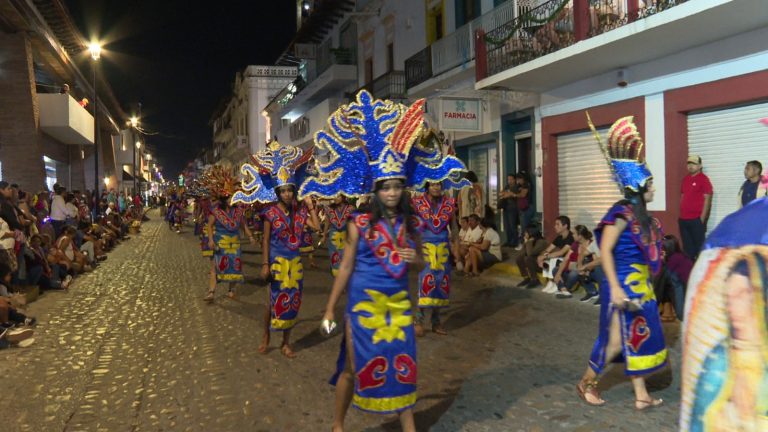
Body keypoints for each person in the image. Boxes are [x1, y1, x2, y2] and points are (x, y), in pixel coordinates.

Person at [301, 90, 468, 431]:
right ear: (375, 190)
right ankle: (337, 423)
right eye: (385, 187)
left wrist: (414, 259)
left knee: (402, 369)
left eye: (396, 187)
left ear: (403, 188)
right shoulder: (359, 224)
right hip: (362, 307)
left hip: (397, 308)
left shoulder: (411, 224)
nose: (391, 193)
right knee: (351, 366)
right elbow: (345, 267)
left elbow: (420, 264)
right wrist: (331, 308)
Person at [577, 115, 667, 410]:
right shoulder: (620, 212)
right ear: (638, 185)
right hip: (620, 285)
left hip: (638, 287)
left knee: (634, 339)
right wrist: (615, 287)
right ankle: (586, 382)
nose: (654, 188)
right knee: (615, 341)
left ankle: (641, 396)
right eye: (651, 184)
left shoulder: (645, 218)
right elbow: (605, 250)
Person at [679, 182, 768, 432]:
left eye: (743, 294)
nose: (733, 305)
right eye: (731, 295)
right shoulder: (718, 361)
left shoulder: (726, 228)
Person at [230, 140, 319, 359]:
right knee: (272, 303)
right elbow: (266, 241)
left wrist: (310, 206)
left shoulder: (299, 213)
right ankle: (266, 336)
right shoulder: (270, 214)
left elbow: (316, 227)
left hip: (295, 265)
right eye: (284, 191)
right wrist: (264, 264)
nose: (288, 194)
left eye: (291, 190)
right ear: (278, 191)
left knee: (293, 304)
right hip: (276, 264)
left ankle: (286, 342)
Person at [412, 180, 460, 337]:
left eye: (438, 185)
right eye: (433, 185)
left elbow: (453, 227)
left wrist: (456, 246)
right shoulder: (418, 203)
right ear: (427, 187)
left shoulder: (449, 204)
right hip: (426, 248)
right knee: (425, 282)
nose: (436, 187)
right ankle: (418, 320)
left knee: (440, 284)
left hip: (443, 249)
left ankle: (436, 321)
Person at [203, 166, 256, 303]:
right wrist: (210, 240)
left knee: (234, 266)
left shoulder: (238, 210)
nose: (231, 199)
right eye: (229, 197)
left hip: (235, 242)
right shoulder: (216, 211)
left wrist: (250, 236)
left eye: (232, 197)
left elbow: (243, 225)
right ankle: (211, 292)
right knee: (215, 266)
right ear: (223, 198)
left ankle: (231, 290)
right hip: (220, 242)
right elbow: (209, 225)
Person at [679, 154, 713, 259]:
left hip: (696, 220)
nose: (690, 166)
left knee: (699, 250)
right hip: (684, 220)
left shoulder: (703, 179)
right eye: (689, 163)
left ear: (700, 166)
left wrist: (702, 219)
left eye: (694, 164)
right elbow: (682, 196)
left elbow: (708, 199)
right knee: (688, 250)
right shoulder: (685, 179)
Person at [537, 215, 574, 292]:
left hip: (569, 261)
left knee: (553, 259)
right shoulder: (559, 237)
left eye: (558, 224)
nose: (555, 227)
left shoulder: (571, 237)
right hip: (560, 259)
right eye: (555, 224)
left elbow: (561, 252)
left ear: (565, 226)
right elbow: (548, 249)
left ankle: (555, 283)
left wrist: (545, 256)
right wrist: (541, 256)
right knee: (547, 259)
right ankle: (550, 282)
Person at [322, 196, 354, 276]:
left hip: (346, 236)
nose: (335, 198)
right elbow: (327, 223)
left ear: (343, 196)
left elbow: (353, 223)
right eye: (334, 196)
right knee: (334, 258)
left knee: (346, 258)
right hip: (333, 238)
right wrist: (324, 235)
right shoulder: (329, 209)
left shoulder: (351, 208)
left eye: (338, 196)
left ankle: (345, 282)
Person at [498, 174, 519, 247]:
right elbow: (501, 193)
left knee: (512, 225)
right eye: (508, 179)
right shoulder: (507, 186)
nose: (509, 181)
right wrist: (506, 194)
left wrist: (508, 194)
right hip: (505, 208)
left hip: (513, 208)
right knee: (507, 226)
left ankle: (514, 242)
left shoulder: (516, 187)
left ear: (514, 180)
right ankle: (509, 241)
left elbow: (510, 195)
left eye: (511, 179)